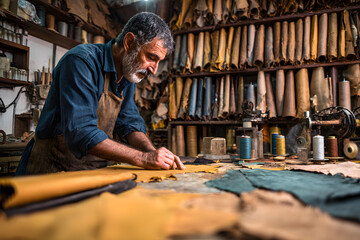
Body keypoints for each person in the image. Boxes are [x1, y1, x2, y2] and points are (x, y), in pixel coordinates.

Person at [16, 12, 185, 175]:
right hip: (52, 169)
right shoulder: (81, 62)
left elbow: (129, 124)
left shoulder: (128, 74)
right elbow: (81, 133)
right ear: (129, 42)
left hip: (93, 171)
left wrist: (152, 152)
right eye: (151, 57)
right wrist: (143, 158)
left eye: (158, 62)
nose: (154, 70)